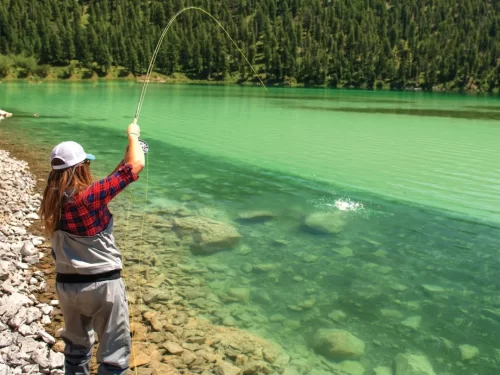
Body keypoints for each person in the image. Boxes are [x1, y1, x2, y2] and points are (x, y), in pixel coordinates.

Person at [40, 122, 145, 375]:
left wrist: (126, 155)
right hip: (102, 287)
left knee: (76, 351)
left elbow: (111, 182)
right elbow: (136, 166)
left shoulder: (52, 200)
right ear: (79, 168)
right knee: (113, 357)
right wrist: (133, 134)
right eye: (86, 164)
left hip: (67, 287)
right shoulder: (88, 197)